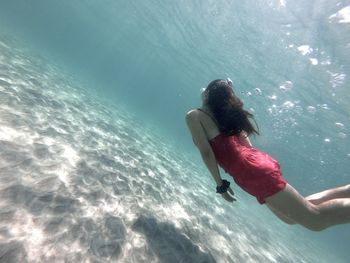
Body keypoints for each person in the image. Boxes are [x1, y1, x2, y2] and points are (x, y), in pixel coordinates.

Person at [186, 78, 350, 231]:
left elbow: (207, 153)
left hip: (250, 171)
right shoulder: (224, 115)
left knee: (315, 220)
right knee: (290, 218)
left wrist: (221, 185)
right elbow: (245, 145)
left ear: (207, 94)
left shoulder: (194, 116)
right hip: (253, 165)